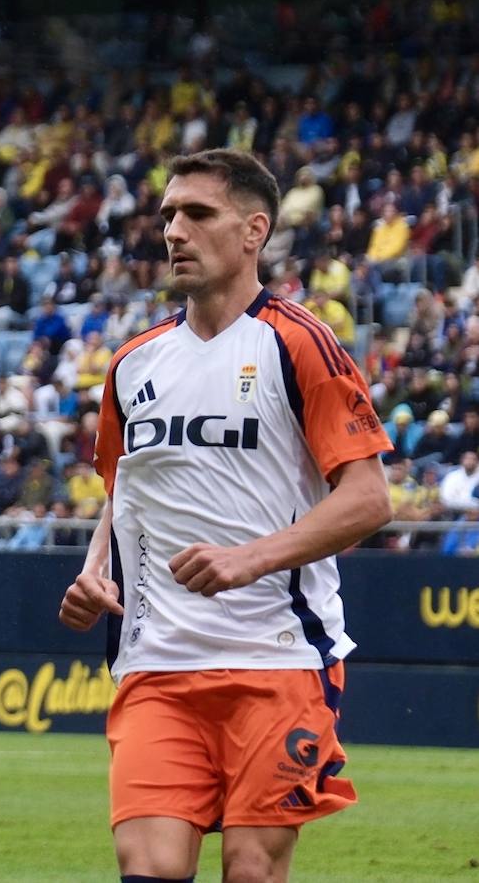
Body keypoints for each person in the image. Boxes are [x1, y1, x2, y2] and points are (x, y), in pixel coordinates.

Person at [58, 149, 392, 883]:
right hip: (156, 664)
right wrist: (93, 572)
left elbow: (369, 498)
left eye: (198, 214)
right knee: (147, 869)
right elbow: (125, 491)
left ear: (253, 232)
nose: (175, 230)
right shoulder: (134, 364)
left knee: (250, 870)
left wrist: (251, 557)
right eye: (169, 214)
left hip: (278, 661)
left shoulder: (298, 342)